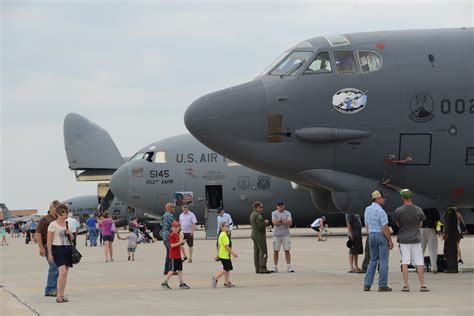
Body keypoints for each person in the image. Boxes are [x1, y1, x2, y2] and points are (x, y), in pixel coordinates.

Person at [394, 189, 429, 292]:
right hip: (415, 238)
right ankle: (422, 285)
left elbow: (398, 224)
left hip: (403, 238)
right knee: (419, 262)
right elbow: (420, 224)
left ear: (402, 197)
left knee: (405, 261)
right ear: (411, 197)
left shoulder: (398, 210)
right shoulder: (418, 209)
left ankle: (406, 285)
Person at [363, 190, 394, 292]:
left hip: (371, 235)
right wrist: (390, 241)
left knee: (372, 260)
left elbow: (366, 225)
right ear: (377, 198)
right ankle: (382, 284)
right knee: (384, 261)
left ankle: (367, 284)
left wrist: (371, 233)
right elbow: (385, 227)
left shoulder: (367, 209)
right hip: (380, 236)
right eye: (382, 197)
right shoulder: (381, 211)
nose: (384, 199)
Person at [47, 204, 74, 303]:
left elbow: (72, 239)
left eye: (66, 212)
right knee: (62, 272)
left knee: (65, 274)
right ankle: (58, 296)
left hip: (67, 249)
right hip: (57, 249)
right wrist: (50, 254)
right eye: (63, 212)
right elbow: (49, 241)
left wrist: (70, 234)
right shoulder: (53, 224)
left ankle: (61, 294)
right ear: (58, 214)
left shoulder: (68, 224)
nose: (65, 214)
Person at [35, 200, 60, 297]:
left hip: (57, 246)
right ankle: (50, 289)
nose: (58, 210)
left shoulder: (58, 219)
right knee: (53, 267)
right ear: (51, 208)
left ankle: (54, 288)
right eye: (56, 208)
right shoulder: (45, 219)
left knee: (58, 268)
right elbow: (38, 233)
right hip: (47, 246)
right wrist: (41, 247)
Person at [161, 221, 190, 289]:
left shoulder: (177, 235)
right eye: (175, 227)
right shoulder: (172, 235)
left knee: (180, 270)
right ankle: (164, 282)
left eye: (178, 227)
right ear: (172, 228)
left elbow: (180, 245)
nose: (177, 228)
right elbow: (172, 245)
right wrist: (180, 242)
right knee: (172, 270)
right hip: (173, 255)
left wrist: (184, 254)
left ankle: (181, 283)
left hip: (178, 255)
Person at [211, 222, 238, 288]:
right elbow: (226, 246)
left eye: (228, 226)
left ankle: (226, 282)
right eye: (226, 226)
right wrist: (233, 253)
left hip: (224, 255)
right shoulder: (223, 235)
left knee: (227, 269)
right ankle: (215, 279)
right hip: (224, 255)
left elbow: (219, 246)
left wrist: (217, 254)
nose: (228, 227)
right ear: (222, 228)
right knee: (226, 268)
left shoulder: (222, 234)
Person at [271, 201, 294, 273]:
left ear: (284, 206)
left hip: (285, 234)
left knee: (287, 250)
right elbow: (274, 223)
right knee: (276, 251)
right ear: (277, 206)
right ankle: (275, 266)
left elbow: (290, 223)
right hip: (276, 235)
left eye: (281, 205)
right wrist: (284, 221)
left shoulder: (288, 213)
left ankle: (289, 266)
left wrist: (280, 221)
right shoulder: (274, 213)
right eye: (279, 205)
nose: (280, 206)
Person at [250, 201, 271, 274]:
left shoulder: (252, 214)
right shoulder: (258, 215)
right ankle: (262, 267)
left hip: (254, 234)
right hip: (259, 235)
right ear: (257, 208)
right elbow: (260, 225)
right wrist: (265, 222)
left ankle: (257, 268)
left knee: (257, 252)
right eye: (261, 207)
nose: (262, 209)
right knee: (263, 250)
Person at [420, 208, 440, 273]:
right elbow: (437, 222)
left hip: (422, 229)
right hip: (431, 229)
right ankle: (434, 268)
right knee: (433, 250)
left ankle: (419, 267)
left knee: (421, 250)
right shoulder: (434, 210)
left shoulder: (420, 209)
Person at [443, 207, 459, 273]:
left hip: (451, 235)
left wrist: (447, 233)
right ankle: (454, 267)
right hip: (453, 234)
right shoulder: (452, 212)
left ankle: (451, 268)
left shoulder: (449, 212)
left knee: (449, 251)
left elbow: (448, 224)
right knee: (452, 250)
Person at [161, 203, 175, 275]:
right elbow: (173, 226)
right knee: (171, 254)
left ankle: (166, 270)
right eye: (172, 207)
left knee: (168, 254)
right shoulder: (168, 216)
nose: (174, 209)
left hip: (166, 237)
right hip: (169, 237)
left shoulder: (165, 215)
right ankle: (171, 270)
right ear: (169, 208)